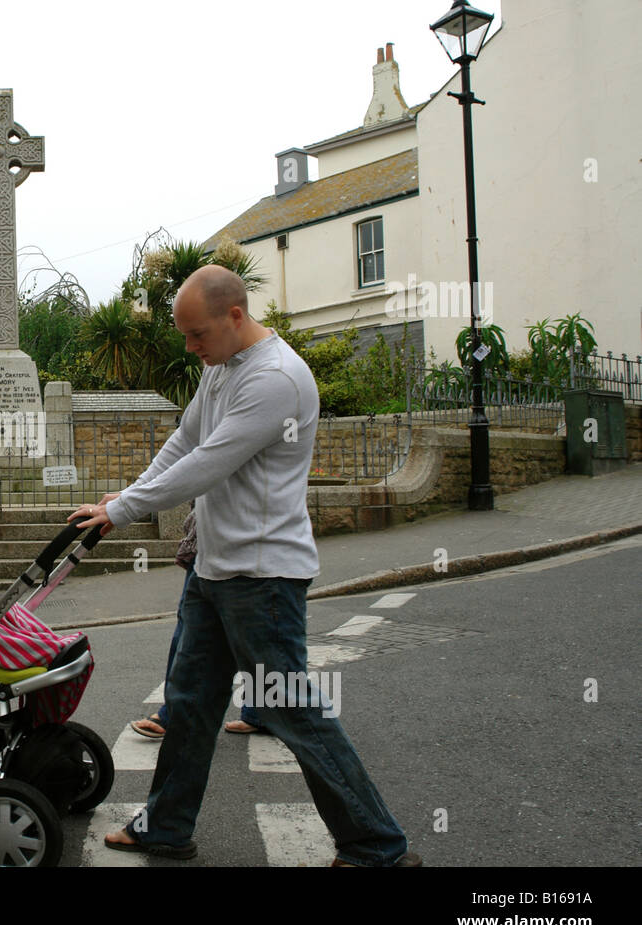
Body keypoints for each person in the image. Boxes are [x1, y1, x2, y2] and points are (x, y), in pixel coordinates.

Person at [72, 264, 417, 867]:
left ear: (236, 316)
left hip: (263, 577)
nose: (190, 347)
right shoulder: (222, 367)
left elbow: (212, 461)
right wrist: (117, 499)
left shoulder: (277, 378)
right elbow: (184, 442)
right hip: (215, 567)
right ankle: (166, 826)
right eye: (185, 336)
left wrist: (123, 510)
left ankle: (377, 845)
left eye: (197, 334)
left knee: (291, 711)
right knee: (190, 702)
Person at [130, 510, 266, 739]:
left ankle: (175, 715)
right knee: (242, 635)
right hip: (212, 543)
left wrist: (129, 503)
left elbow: (189, 475)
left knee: (195, 637)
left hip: (232, 545)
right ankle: (177, 715)